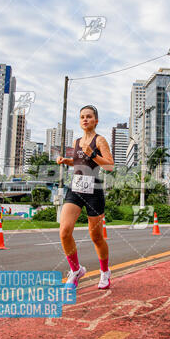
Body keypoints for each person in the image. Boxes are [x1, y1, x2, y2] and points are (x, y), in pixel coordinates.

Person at [56, 105, 114, 290]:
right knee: (64, 231)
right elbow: (80, 161)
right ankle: (76, 270)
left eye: (89, 117)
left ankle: (105, 272)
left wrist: (93, 154)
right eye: (82, 117)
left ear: (96, 120)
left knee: (96, 237)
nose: (85, 119)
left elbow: (109, 166)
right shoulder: (77, 141)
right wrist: (67, 161)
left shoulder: (100, 140)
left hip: (94, 190)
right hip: (76, 187)